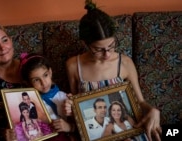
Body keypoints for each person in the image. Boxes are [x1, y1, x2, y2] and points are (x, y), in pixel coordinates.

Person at [64, 1, 162, 141]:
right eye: (98, 49)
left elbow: (140, 102)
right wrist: (69, 107)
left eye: (111, 46)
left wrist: (153, 110)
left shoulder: (125, 63)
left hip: (127, 131)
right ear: (85, 43)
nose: (107, 54)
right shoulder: (73, 65)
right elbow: (76, 107)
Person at [20, 52, 76, 140]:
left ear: (50, 72)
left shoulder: (63, 97)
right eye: (36, 80)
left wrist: (69, 127)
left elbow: (81, 125)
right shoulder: (30, 104)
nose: (43, 83)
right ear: (28, 83)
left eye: (45, 75)